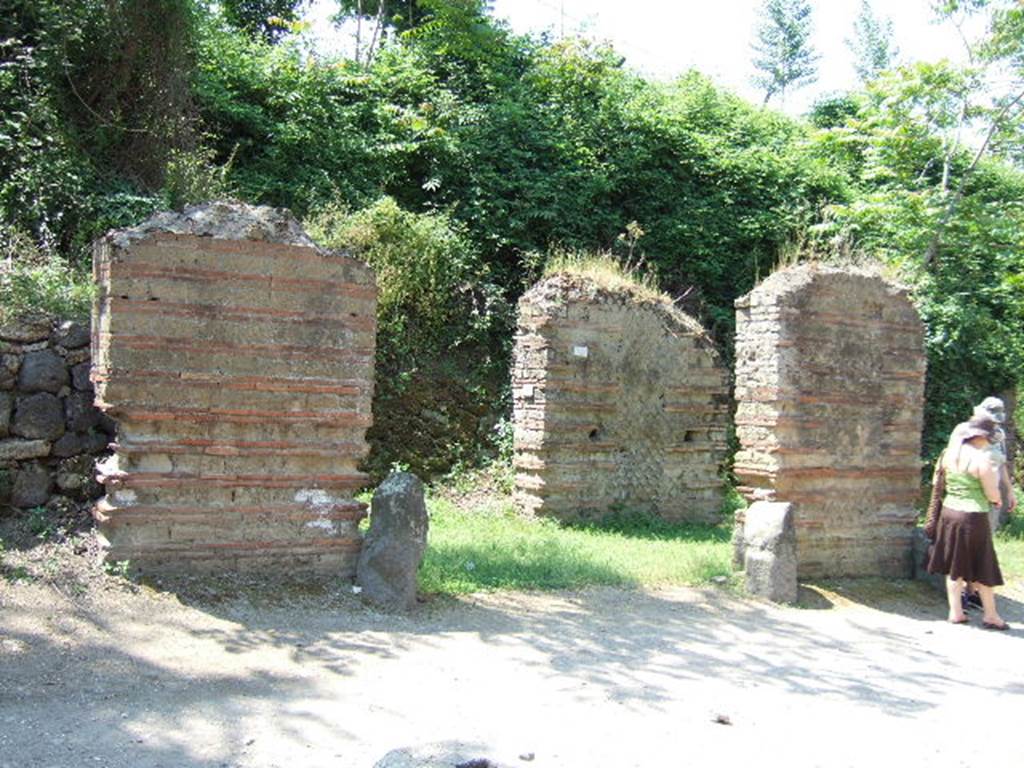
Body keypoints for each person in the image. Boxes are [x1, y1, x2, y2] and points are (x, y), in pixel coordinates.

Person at [926, 416, 1009, 630]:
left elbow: (937, 483)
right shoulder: (982, 459)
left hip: (949, 513)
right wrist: (997, 499)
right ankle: (991, 615)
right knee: (983, 564)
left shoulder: (949, 454)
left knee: (954, 565)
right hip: (973, 516)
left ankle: (956, 612)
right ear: (982, 436)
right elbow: (991, 492)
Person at [972, 396, 1018, 530]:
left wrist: (1009, 491)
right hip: (972, 492)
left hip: (992, 492)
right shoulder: (970, 433)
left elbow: (1001, 464)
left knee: (988, 534)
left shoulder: (999, 434)